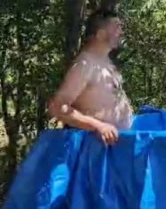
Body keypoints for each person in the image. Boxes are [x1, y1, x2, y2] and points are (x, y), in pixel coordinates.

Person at [47, 9, 133, 145]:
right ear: (100, 34)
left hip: (119, 145)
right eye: (116, 28)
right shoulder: (85, 65)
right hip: (96, 149)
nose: (121, 32)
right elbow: (57, 107)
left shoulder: (105, 62)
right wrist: (99, 126)